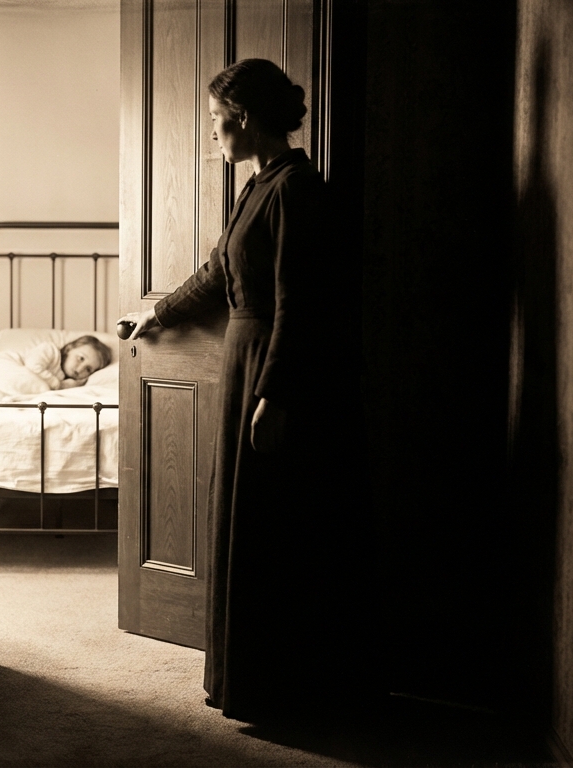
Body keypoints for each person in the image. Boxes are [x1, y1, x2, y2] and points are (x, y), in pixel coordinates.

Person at [120, 59, 376, 723]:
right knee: (243, 520)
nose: (213, 136)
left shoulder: (297, 189)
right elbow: (217, 270)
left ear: (247, 119)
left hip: (271, 367)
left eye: (216, 123)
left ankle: (281, 691)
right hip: (243, 360)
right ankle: (243, 681)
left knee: (274, 530)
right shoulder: (257, 186)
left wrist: (276, 393)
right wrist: (162, 312)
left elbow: (300, 301)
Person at [23, 335, 112, 391]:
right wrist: (59, 385)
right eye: (81, 358)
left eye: (88, 369)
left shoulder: (69, 382)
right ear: (68, 349)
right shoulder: (49, 350)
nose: (80, 369)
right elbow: (32, 366)